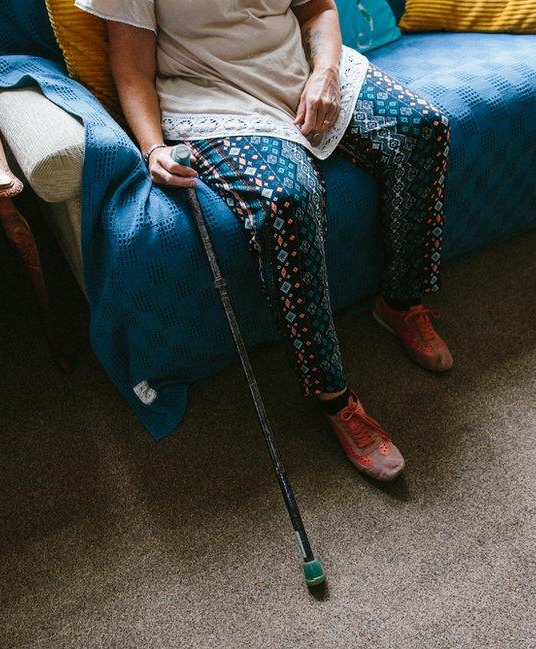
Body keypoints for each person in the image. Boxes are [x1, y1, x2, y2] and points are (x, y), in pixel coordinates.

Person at [75, 0, 451, 481]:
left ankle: (399, 301)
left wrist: (326, 73)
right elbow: (130, 67)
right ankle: (333, 397)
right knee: (288, 200)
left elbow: (318, 8)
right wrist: (152, 147)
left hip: (298, 70)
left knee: (422, 128)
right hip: (212, 100)